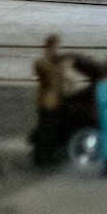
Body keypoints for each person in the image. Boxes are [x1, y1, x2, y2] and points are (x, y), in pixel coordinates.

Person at [32, 34, 68, 168]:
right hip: (47, 100)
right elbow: (50, 79)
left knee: (49, 129)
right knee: (46, 129)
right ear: (49, 47)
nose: (56, 49)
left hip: (53, 100)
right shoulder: (42, 62)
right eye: (54, 46)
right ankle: (42, 156)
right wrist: (61, 67)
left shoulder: (52, 62)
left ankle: (45, 154)